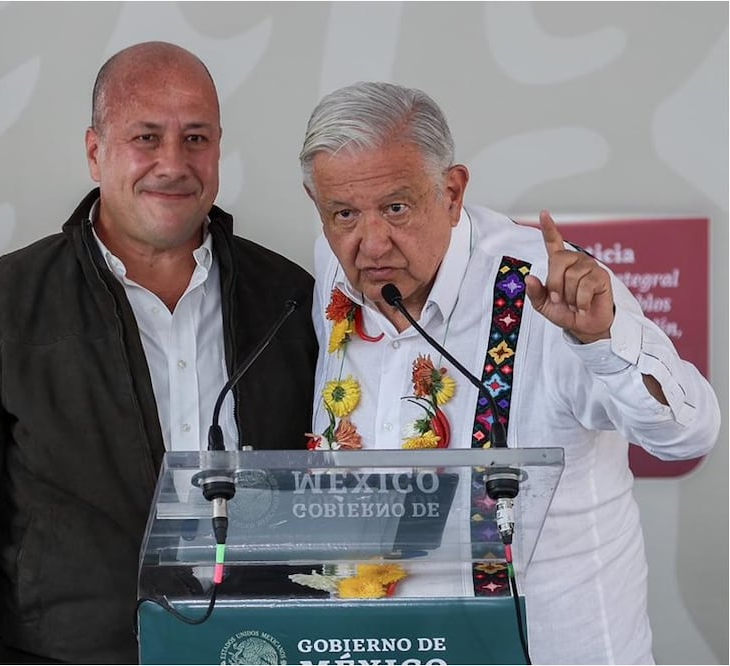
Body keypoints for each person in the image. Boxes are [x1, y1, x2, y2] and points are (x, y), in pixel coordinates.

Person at [0, 41, 318, 663]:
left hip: (259, 649)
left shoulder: (289, 301)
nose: (173, 163)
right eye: (146, 138)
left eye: (195, 138)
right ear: (95, 153)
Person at [298, 81, 719, 664]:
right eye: (344, 213)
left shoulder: (549, 291)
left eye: (396, 208)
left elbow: (688, 434)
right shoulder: (333, 268)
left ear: (452, 192)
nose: (371, 244)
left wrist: (602, 341)